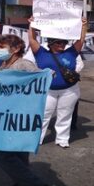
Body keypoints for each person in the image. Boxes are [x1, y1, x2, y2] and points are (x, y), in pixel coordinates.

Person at [0, 34, 51, 186]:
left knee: (1, 153)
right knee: (19, 155)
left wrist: (47, 75)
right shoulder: (4, 64)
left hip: (19, 117)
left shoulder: (24, 64)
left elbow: (43, 80)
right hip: (8, 117)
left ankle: (34, 185)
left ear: (16, 49)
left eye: (2, 47)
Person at [29, 17, 87, 148]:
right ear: (50, 43)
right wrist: (31, 25)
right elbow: (32, 39)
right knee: (43, 114)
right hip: (48, 91)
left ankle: (62, 139)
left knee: (65, 115)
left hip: (69, 90)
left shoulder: (71, 52)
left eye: (63, 42)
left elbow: (81, 40)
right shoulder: (41, 53)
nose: (62, 45)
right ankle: (37, 138)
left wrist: (84, 26)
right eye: (58, 43)